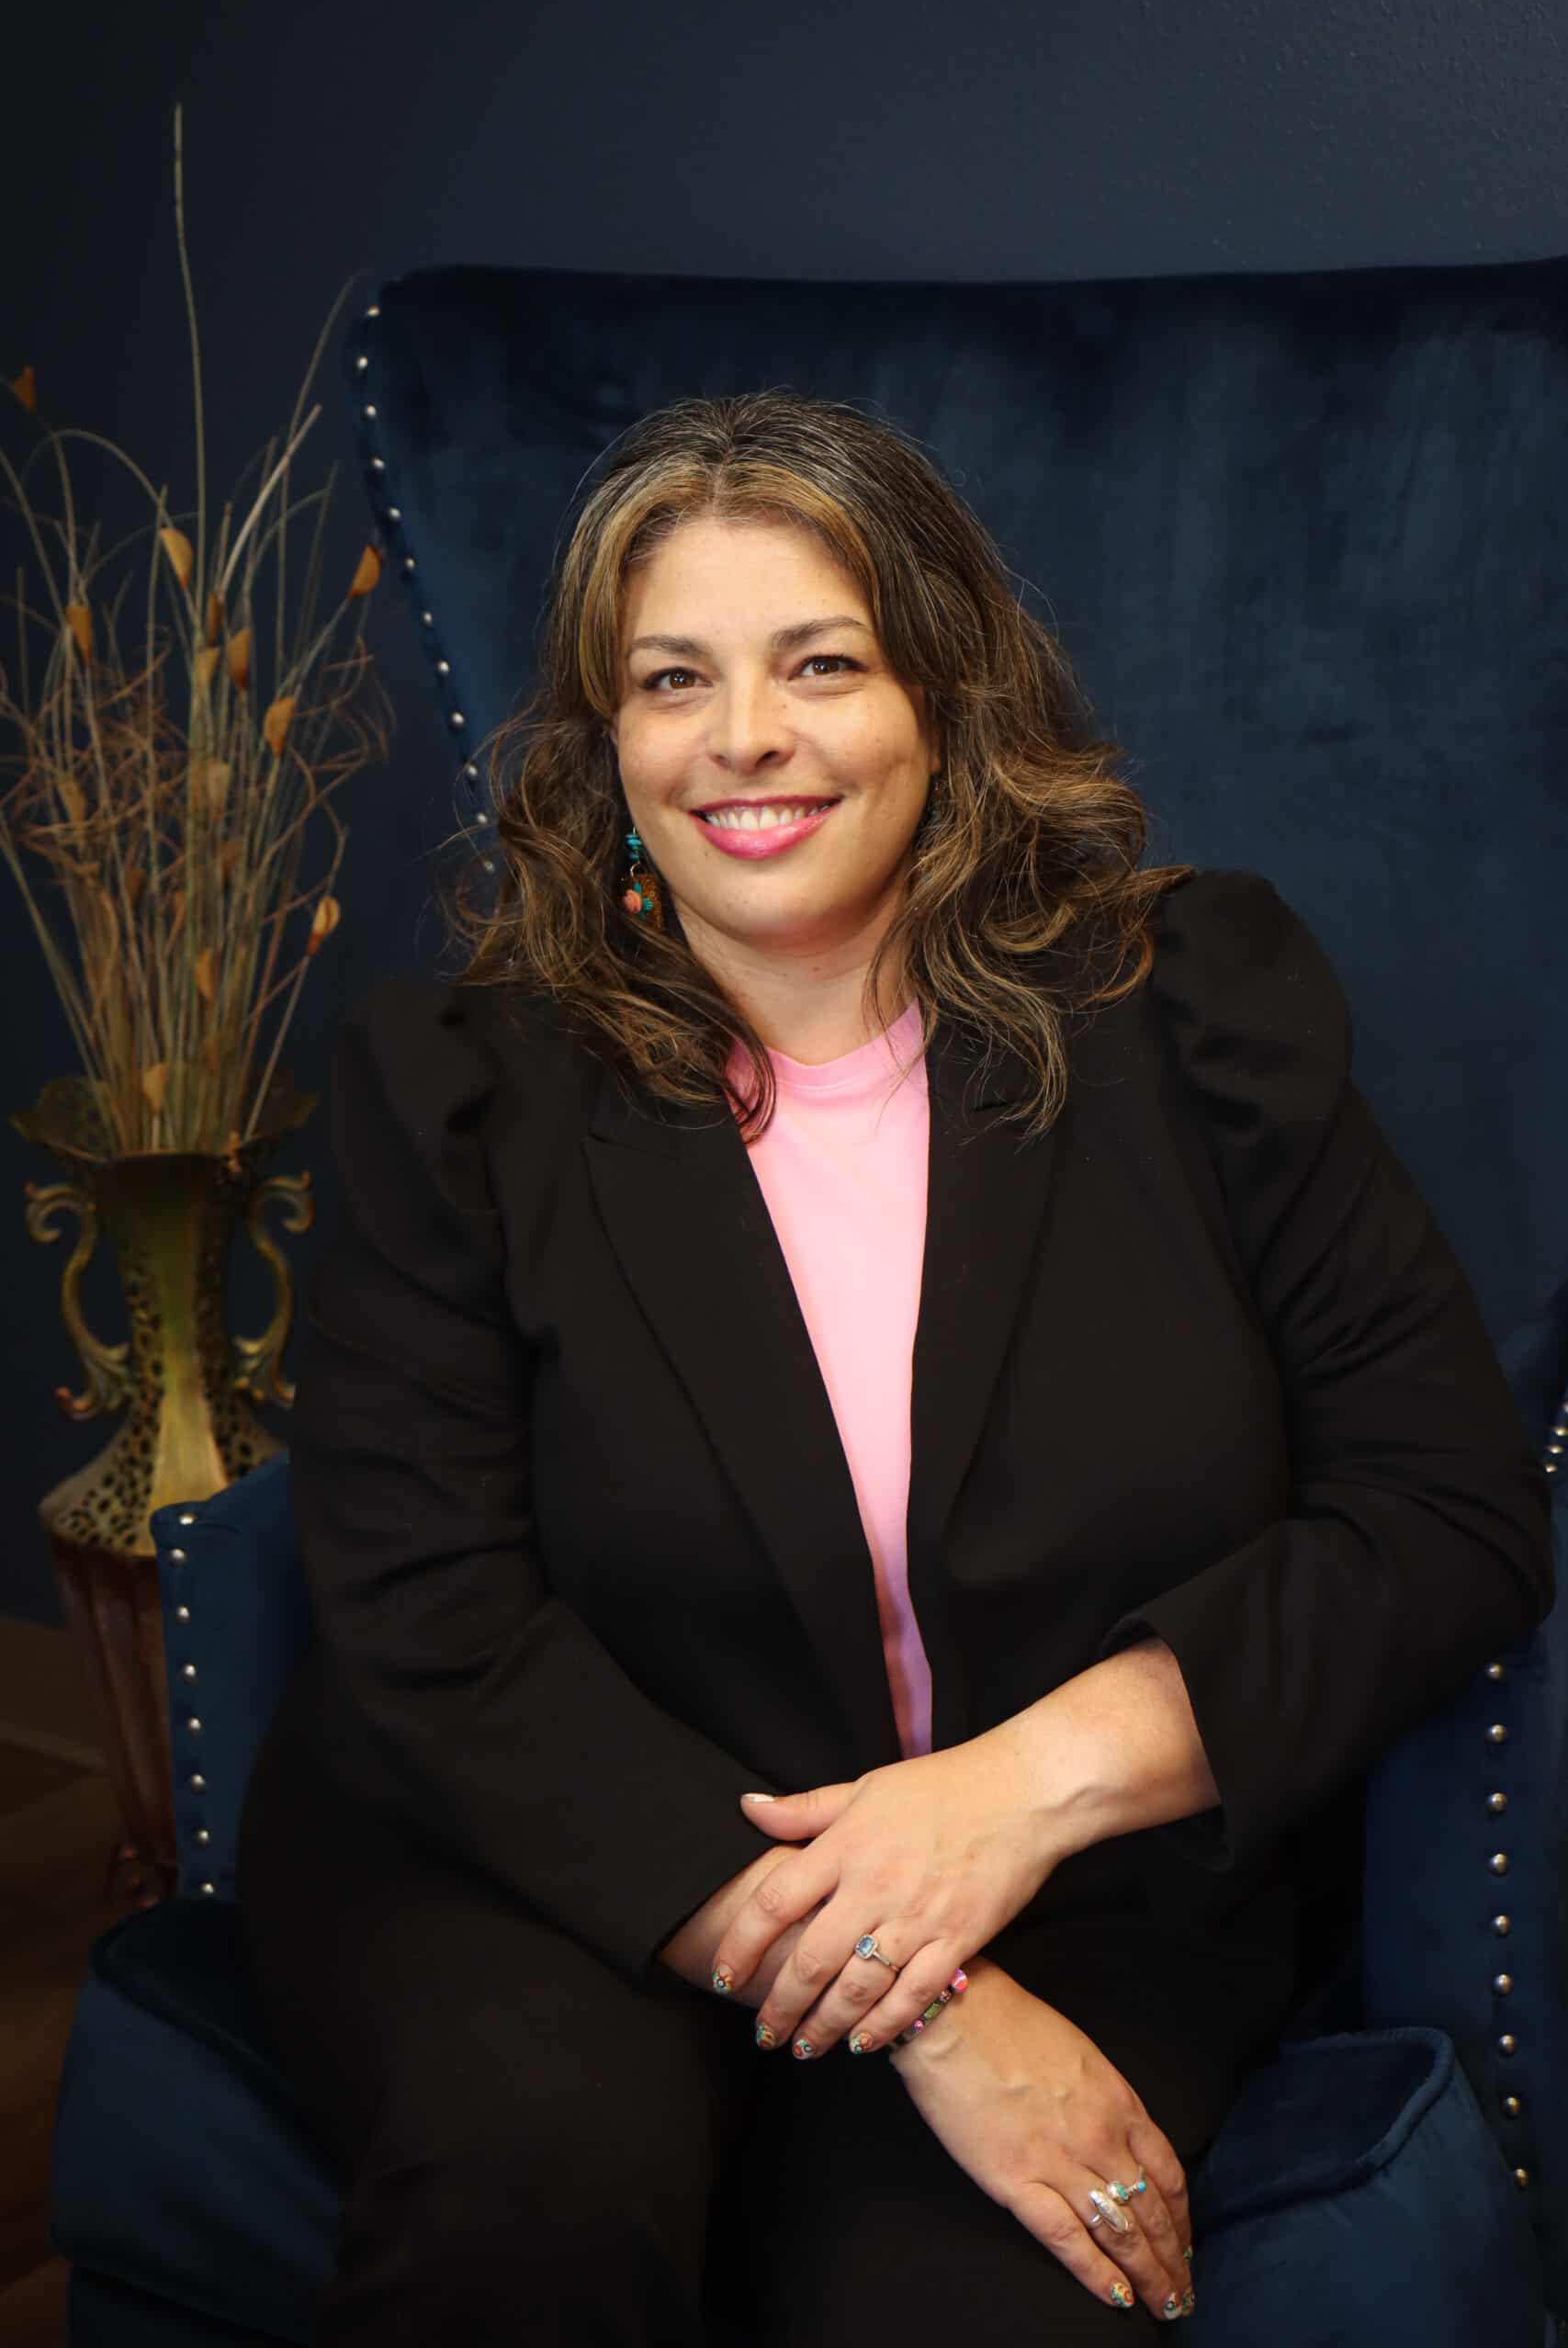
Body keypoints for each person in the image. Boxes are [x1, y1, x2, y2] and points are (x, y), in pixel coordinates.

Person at [236, 386, 1554, 2346]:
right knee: (535, 2194)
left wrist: (1007, 1799)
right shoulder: (459, 1091)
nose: (741, 737)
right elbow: (429, 1621)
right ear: (607, 746)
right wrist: (920, 1990)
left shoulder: (1191, 1008)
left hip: (1079, 1880)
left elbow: (1442, 1508)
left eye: (819, 663)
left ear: (944, 698)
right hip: (541, 1856)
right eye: (669, 678)